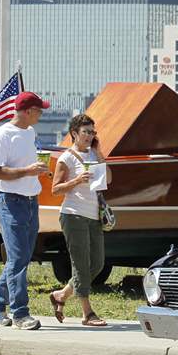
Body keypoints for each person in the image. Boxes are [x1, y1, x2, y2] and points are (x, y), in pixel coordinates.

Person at [0, 91, 52, 330]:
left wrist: (37, 170)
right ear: (27, 111)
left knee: (20, 258)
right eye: (39, 110)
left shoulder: (30, 132)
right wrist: (27, 171)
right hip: (10, 202)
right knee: (18, 259)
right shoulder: (1, 135)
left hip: (31, 202)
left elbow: (26, 166)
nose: (41, 114)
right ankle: (20, 313)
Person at [48, 114, 111, 326]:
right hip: (73, 214)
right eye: (86, 132)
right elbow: (55, 189)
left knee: (98, 263)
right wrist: (76, 180)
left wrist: (100, 153)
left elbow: (108, 179)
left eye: (93, 132)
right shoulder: (66, 158)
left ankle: (61, 295)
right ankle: (87, 313)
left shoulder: (94, 153)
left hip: (94, 215)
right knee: (81, 265)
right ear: (74, 134)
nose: (90, 135)